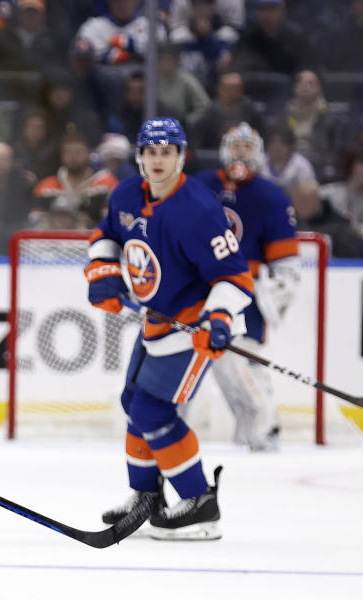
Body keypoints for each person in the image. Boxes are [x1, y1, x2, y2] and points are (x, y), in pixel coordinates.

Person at [86, 117, 254, 540]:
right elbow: (107, 234)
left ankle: (200, 503)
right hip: (158, 319)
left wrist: (218, 320)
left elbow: (236, 277)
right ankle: (147, 495)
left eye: (168, 152)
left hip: (196, 324)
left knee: (153, 411)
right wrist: (103, 274)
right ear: (140, 157)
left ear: (181, 157)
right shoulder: (126, 193)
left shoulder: (199, 210)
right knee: (133, 401)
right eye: (151, 152)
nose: (159, 160)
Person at [194, 123, 299, 450]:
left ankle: (266, 427)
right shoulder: (200, 186)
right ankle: (247, 428)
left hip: (244, 291)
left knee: (242, 360)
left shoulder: (271, 196)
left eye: (248, 148)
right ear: (225, 149)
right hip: (200, 287)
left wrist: (273, 299)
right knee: (216, 364)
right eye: (236, 147)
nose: (241, 155)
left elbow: (286, 264)